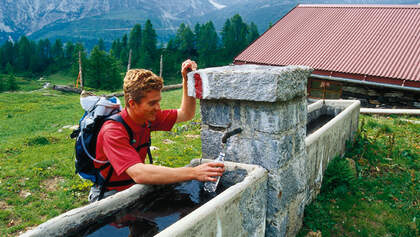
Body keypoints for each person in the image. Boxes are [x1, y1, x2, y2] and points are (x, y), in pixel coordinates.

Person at [88, 59, 224, 202]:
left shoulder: (147, 118)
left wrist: (186, 79)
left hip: (133, 187)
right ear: (132, 104)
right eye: (152, 103)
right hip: (109, 194)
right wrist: (194, 172)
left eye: (158, 101)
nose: (158, 108)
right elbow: (138, 173)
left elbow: (186, 113)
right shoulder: (113, 131)